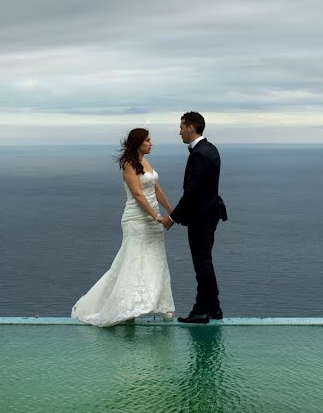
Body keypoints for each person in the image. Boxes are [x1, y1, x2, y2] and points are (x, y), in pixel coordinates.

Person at [72, 128, 175, 326]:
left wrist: (171, 211)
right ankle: (127, 308)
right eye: (147, 140)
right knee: (132, 261)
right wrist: (156, 216)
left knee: (156, 260)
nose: (151, 143)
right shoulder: (129, 165)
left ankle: (162, 305)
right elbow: (137, 195)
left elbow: (156, 188)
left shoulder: (145, 162)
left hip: (153, 221)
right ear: (138, 143)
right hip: (137, 220)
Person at [165, 112, 228, 324]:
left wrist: (172, 218)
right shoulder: (211, 149)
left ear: (191, 127)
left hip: (201, 217)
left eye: (181, 127)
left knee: (202, 263)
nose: (179, 131)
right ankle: (214, 307)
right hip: (210, 214)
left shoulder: (200, 153)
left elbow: (192, 192)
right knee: (205, 261)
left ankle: (202, 310)